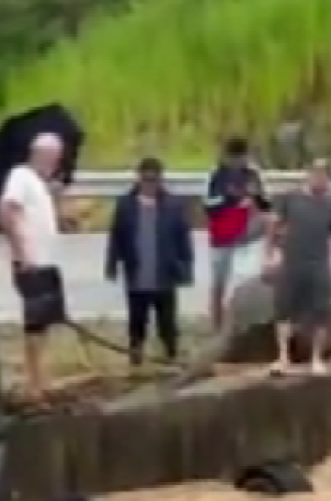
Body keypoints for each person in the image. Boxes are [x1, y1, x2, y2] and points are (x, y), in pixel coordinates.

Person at [0, 133, 69, 403]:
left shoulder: (40, 183)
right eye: (53, 158)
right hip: (33, 262)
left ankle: (42, 377)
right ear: (40, 154)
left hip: (47, 261)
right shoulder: (20, 176)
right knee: (35, 323)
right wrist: (20, 253)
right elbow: (7, 211)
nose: (55, 163)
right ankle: (33, 382)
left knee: (46, 323)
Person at [106, 156, 194, 366]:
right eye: (146, 180)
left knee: (167, 322)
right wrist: (111, 264)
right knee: (137, 321)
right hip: (137, 274)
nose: (150, 184)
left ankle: (171, 356)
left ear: (160, 180)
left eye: (154, 180)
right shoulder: (126, 205)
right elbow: (116, 236)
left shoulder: (173, 205)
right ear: (139, 179)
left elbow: (183, 238)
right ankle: (136, 356)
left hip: (164, 273)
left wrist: (186, 268)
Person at [266, 159, 331, 376]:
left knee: (320, 312)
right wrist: (270, 256)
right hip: (291, 260)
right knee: (284, 310)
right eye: (316, 173)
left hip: (318, 262)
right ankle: (282, 356)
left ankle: (316, 357)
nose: (320, 179)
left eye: (325, 176)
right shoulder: (290, 198)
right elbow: (274, 227)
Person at [203, 137, 269, 330]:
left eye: (243, 157)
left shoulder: (253, 174)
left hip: (247, 236)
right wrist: (229, 198)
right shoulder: (215, 175)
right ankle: (217, 324)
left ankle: (246, 322)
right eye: (236, 157)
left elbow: (265, 204)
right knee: (219, 282)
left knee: (245, 280)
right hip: (222, 236)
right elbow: (208, 206)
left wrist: (255, 197)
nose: (240, 162)